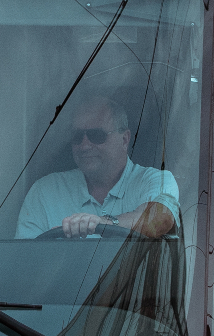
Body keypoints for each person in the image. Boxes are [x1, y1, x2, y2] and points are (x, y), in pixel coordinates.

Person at [17, 94, 180, 239]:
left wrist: (102, 223)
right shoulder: (45, 192)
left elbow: (160, 219)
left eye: (96, 136)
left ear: (124, 139)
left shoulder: (156, 181)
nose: (85, 145)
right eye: (77, 136)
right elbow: (24, 260)